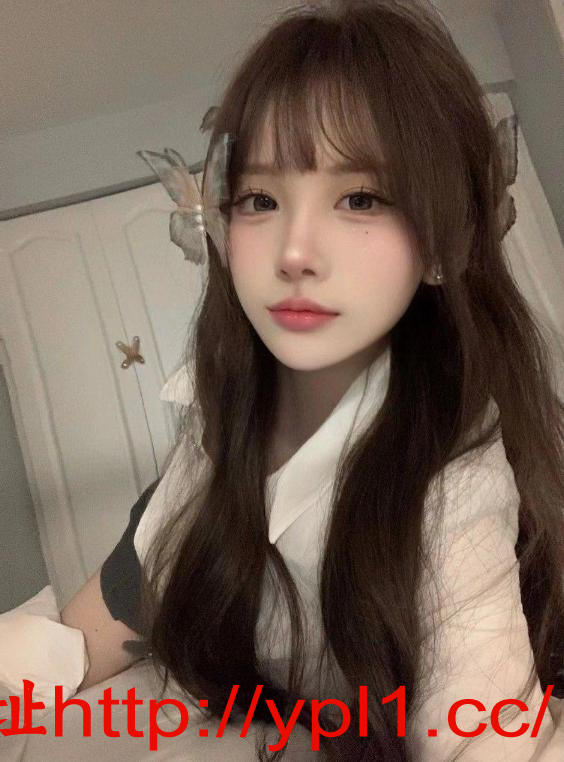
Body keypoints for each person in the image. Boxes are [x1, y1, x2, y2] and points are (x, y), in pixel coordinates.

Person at [1, 0, 564, 759]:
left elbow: (488, 739)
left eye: (360, 198)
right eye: (261, 200)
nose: (294, 251)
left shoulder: (452, 482)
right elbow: (111, 612)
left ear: (441, 247)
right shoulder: (218, 424)